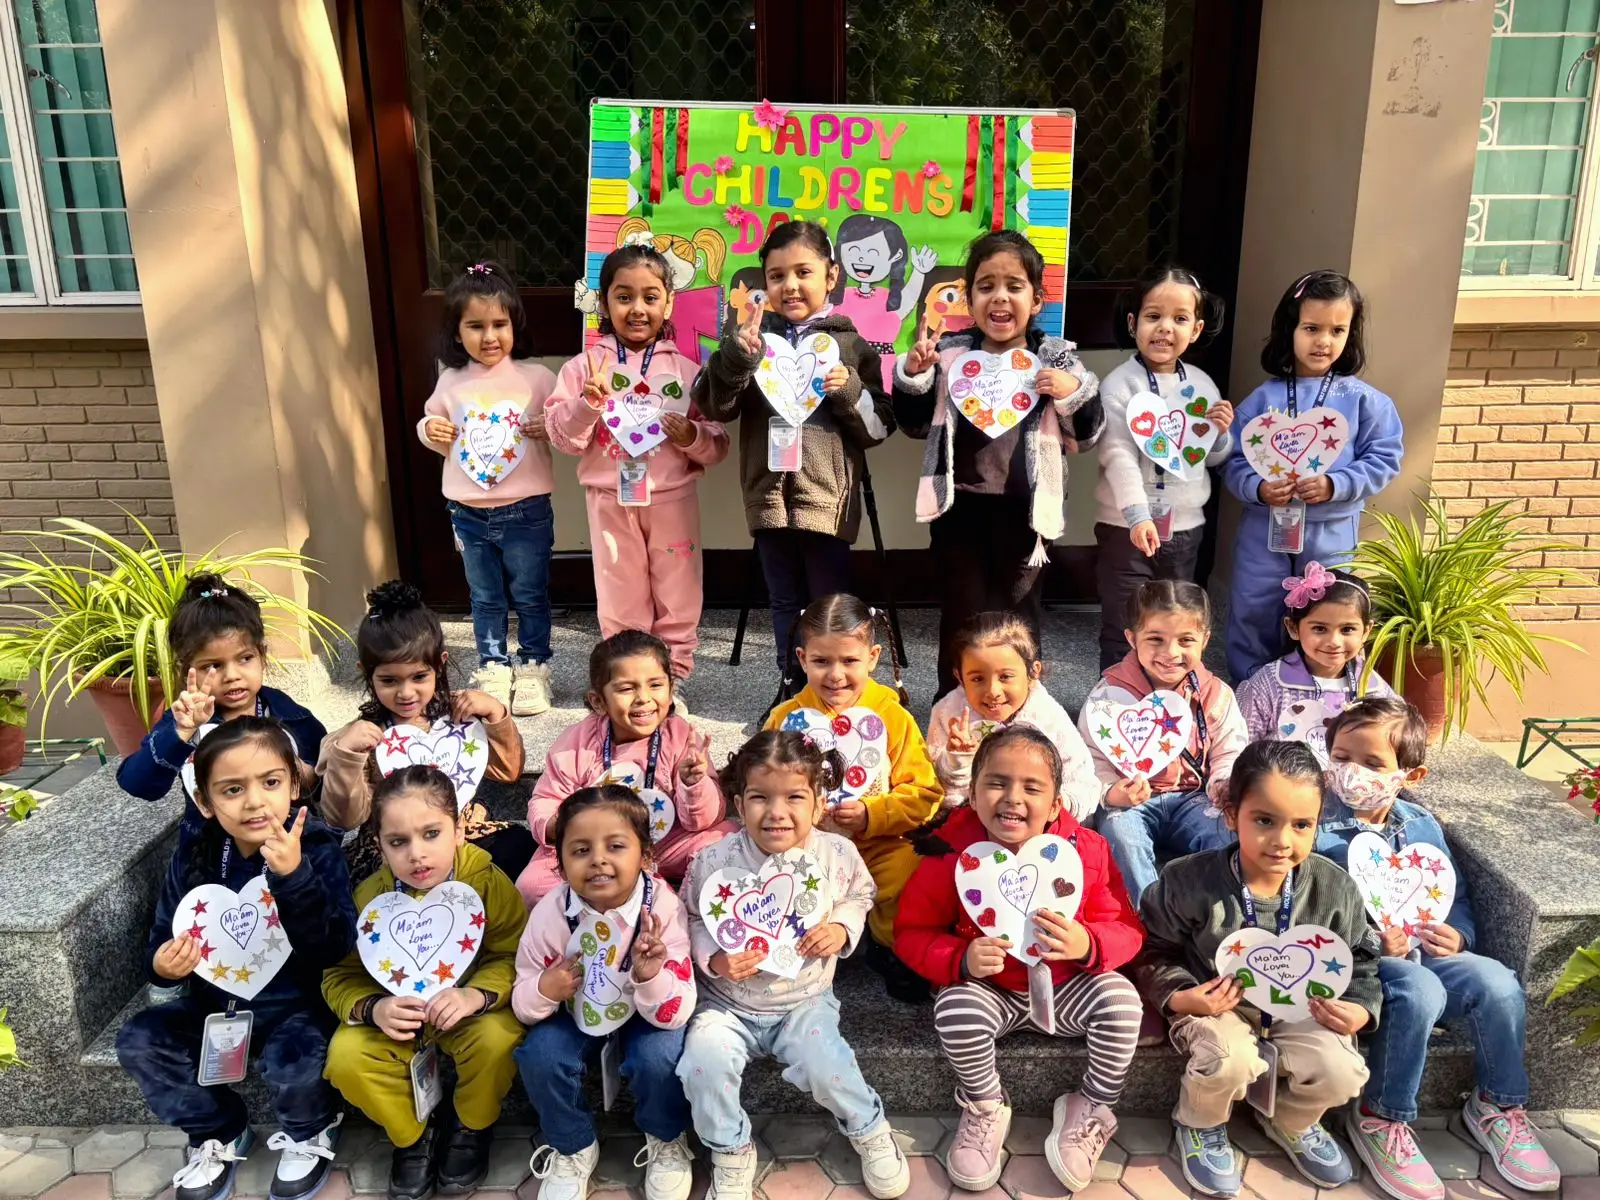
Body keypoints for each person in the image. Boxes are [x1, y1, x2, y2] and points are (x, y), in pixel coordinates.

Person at [1316, 698, 1560, 1199]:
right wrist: (1371, 941)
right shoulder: (1314, 822)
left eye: (1372, 763)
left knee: (1497, 983)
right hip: (1359, 962)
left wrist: (1459, 934)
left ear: (1410, 775)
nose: (1353, 772)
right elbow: (1303, 902)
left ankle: (1498, 1104)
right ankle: (1381, 1115)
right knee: (1420, 988)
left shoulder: (1421, 825)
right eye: (1341, 757)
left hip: (1424, 950)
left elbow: (1454, 896)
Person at [895, 727, 1144, 1193]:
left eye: (1032, 788)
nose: (1012, 798)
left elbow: (1126, 928)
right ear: (972, 794)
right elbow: (911, 933)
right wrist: (961, 958)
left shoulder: (1087, 850)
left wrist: (1088, 943)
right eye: (997, 783)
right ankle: (985, 1105)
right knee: (955, 1009)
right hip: (994, 990)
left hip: (1068, 985)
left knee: (1123, 1004)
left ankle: (1091, 1105)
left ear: (1055, 804)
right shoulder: (950, 855)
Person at [116, 718, 355, 1200]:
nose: (254, 802)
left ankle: (310, 1127)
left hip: (299, 1009)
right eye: (231, 789)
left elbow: (335, 946)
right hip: (218, 1010)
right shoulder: (195, 857)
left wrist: (294, 877)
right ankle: (218, 1130)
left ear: (294, 784)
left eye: (270, 782)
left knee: (295, 1056)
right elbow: (162, 937)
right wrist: (163, 965)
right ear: (205, 801)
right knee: (140, 1039)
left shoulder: (316, 849)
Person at [1133, 739, 1380, 1197]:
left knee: (1342, 1070)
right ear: (1232, 815)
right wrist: (1182, 996)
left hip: (1301, 1009)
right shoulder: (1188, 880)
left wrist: (1359, 1008)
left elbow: (1361, 958)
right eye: (1264, 820)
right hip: (1215, 1007)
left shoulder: (1335, 888)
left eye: (1302, 825)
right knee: (1230, 1058)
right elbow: (1151, 949)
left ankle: (1290, 1120)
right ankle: (1199, 1122)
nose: (1282, 841)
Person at [676, 731, 909, 1200]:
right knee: (702, 1063)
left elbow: (860, 894)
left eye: (794, 797)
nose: (776, 812)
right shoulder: (714, 860)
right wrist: (714, 960)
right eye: (760, 798)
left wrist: (841, 928)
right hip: (726, 1004)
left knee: (828, 1062)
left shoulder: (836, 854)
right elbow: (694, 916)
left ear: (819, 804)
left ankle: (868, 1126)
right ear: (739, 804)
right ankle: (730, 1147)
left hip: (805, 1001)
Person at [892, 228, 1103, 698]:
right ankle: (953, 706)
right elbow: (913, 424)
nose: (1000, 297)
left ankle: (1019, 708)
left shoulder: (1056, 358)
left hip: (1028, 515)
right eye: (986, 286)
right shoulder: (950, 355)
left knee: (1018, 616)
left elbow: (1087, 436)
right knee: (962, 612)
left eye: (1014, 286)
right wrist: (914, 375)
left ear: (1037, 299)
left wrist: (1071, 393)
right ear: (969, 299)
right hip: (958, 511)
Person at [692, 220, 893, 691]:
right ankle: (792, 686)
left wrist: (850, 391)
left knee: (828, 605)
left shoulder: (851, 345)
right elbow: (714, 406)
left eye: (804, 272)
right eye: (777, 276)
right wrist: (736, 357)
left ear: (832, 275)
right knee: (783, 601)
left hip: (828, 503)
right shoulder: (751, 338)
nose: (790, 285)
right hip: (767, 499)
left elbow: (880, 427)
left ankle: (834, 691)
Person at [322, 766, 527, 1200]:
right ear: (380, 847)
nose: (417, 854)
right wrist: (372, 1007)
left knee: (498, 1039)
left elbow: (515, 955)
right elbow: (340, 974)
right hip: (399, 1021)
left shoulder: (487, 882)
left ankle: (471, 1124)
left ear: (459, 832)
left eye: (431, 834)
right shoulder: (370, 900)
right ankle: (413, 1134)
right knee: (345, 1056)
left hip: (471, 1015)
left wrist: (476, 995)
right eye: (398, 842)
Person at [546, 244, 729, 691]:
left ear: (669, 301)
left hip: (672, 499)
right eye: (624, 297)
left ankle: (673, 679)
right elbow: (563, 438)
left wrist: (691, 436)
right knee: (619, 590)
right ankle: (629, 679)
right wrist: (587, 405)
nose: (637, 309)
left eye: (650, 297)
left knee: (678, 590)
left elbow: (717, 444)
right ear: (604, 301)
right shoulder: (584, 368)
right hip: (610, 500)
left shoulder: (688, 371)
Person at [512, 785, 697, 1200]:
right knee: (541, 1055)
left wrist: (651, 977)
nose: (597, 859)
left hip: (647, 1012)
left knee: (660, 1056)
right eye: (580, 850)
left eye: (615, 846)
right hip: (575, 1011)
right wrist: (545, 988)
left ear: (645, 856)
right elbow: (522, 999)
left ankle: (666, 1136)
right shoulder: (551, 913)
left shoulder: (663, 908)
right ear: (560, 865)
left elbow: (679, 1009)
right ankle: (572, 1144)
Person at [1222, 270, 1404, 682]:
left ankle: (1318, 692)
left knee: (1326, 611)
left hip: (1331, 532)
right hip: (1265, 530)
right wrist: (1258, 489)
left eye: (1337, 330)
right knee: (1254, 604)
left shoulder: (1365, 402)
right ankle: (1251, 689)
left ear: (1351, 334)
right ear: (1289, 329)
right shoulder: (1263, 399)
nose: (1323, 341)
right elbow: (1232, 459)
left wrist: (1336, 485)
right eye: (1311, 328)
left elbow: (1385, 458)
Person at [763, 594, 940, 999]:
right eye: (821, 661)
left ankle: (890, 946)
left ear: (872, 657)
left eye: (849, 661)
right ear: (802, 659)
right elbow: (758, 784)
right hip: (807, 849)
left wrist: (872, 814)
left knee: (910, 869)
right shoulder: (785, 719)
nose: (836, 675)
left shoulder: (893, 717)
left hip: (877, 846)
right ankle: (801, 943)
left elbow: (925, 792)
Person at [417, 261, 558, 716]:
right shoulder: (450, 381)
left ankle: (534, 665)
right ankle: (493, 665)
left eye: (499, 324)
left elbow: (566, 428)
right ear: (457, 333)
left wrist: (550, 427)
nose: (489, 336)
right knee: (484, 596)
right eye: (476, 326)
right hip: (468, 513)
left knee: (531, 593)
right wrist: (429, 430)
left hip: (527, 509)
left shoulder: (538, 379)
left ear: (515, 325)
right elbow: (432, 424)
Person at [317, 581, 530, 882]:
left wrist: (496, 714)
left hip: (462, 832)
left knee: (518, 849)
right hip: (397, 846)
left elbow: (507, 772)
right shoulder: (364, 736)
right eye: (389, 681)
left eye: (418, 677)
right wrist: (346, 757)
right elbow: (345, 818)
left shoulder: (460, 716)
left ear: (439, 665)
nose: (406, 693)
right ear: (367, 673)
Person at [517, 630, 735, 906]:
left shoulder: (682, 737)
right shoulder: (575, 744)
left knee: (727, 842)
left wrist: (694, 784)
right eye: (626, 689)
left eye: (655, 685)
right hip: (598, 850)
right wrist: (556, 824)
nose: (643, 698)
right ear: (598, 701)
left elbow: (703, 821)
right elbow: (546, 798)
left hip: (665, 844)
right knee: (531, 885)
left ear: (671, 690)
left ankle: (663, 896)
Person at [1094, 266, 1234, 671]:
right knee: (1125, 619)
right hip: (1125, 529)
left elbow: (1210, 458)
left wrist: (1220, 435)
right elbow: (1117, 454)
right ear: (1133, 323)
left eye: (1180, 318)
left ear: (1196, 329)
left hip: (1184, 528)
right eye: (1153, 316)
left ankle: (1166, 696)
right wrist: (1137, 515)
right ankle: (1117, 695)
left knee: (1173, 620)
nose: (1165, 328)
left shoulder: (1202, 386)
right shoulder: (1120, 384)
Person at [117, 574, 325, 843]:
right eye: (213, 666)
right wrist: (180, 734)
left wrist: (305, 775)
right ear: (186, 670)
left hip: (289, 848)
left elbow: (326, 781)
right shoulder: (187, 721)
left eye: (245, 658)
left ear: (262, 656)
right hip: (208, 856)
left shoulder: (290, 716)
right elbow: (138, 784)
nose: (232, 676)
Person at [1080, 581, 1247, 905]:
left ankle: (1217, 911)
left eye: (1186, 640)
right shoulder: (1109, 695)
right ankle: (1148, 914)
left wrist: (1223, 784)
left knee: (1232, 833)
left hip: (1195, 798)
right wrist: (1110, 792)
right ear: (1132, 639)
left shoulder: (1215, 694)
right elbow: (1089, 756)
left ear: (1205, 640)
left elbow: (1231, 748)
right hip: (1130, 802)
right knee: (1121, 836)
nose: (1171, 653)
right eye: (1155, 639)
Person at [925, 610, 1098, 816]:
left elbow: (1082, 782)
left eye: (1005, 676)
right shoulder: (948, 714)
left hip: (1038, 821)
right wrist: (956, 760)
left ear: (1033, 672)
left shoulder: (1048, 718)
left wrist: (1054, 808)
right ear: (960, 677)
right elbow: (932, 788)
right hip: (970, 819)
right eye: (977, 679)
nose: (993, 691)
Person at [1235, 564, 1394, 759]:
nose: (1334, 642)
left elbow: (1396, 736)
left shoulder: (1372, 687)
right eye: (1319, 629)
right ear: (1293, 628)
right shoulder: (1268, 685)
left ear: (1366, 631)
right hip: (1283, 777)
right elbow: (1239, 747)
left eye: (1347, 630)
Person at [829, 213, 938, 386]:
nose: (861, 258)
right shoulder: (839, 296)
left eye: (873, 252)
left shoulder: (888, 298)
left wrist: (919, 272)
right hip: (840, 369)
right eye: (853, 251)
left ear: (895, 256)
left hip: (881, 370)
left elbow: (907, 301)